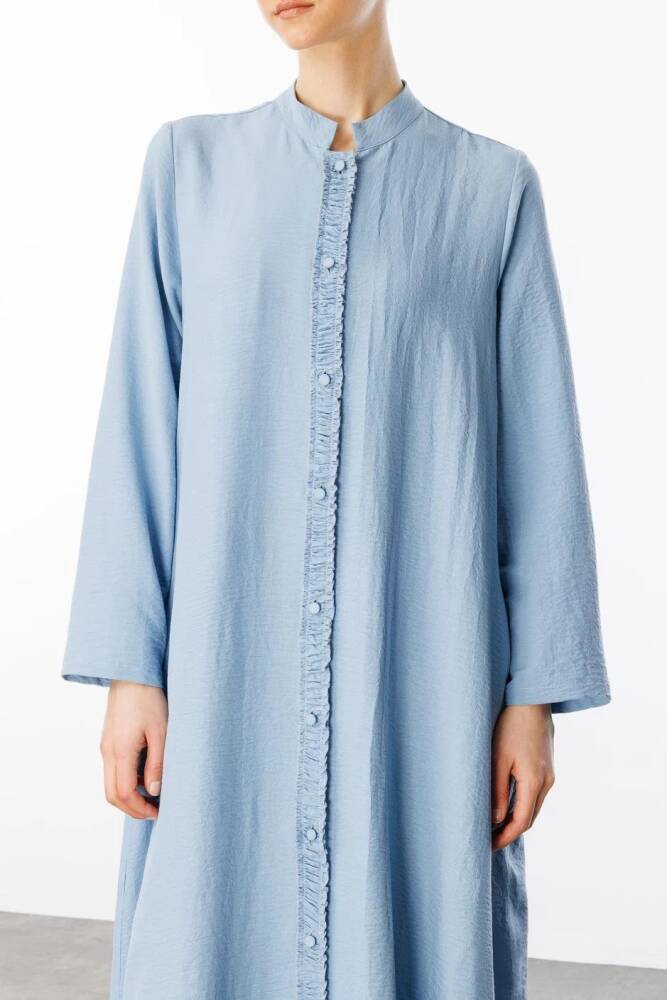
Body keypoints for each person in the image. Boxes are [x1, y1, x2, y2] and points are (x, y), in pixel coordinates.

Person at [61, 1, 611, 998]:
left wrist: (531, 702)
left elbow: (538, 466)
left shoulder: (491, 189)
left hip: (427, 676)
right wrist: (129, 673)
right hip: (225, 670)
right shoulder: (188, 171)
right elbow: (138, 428)